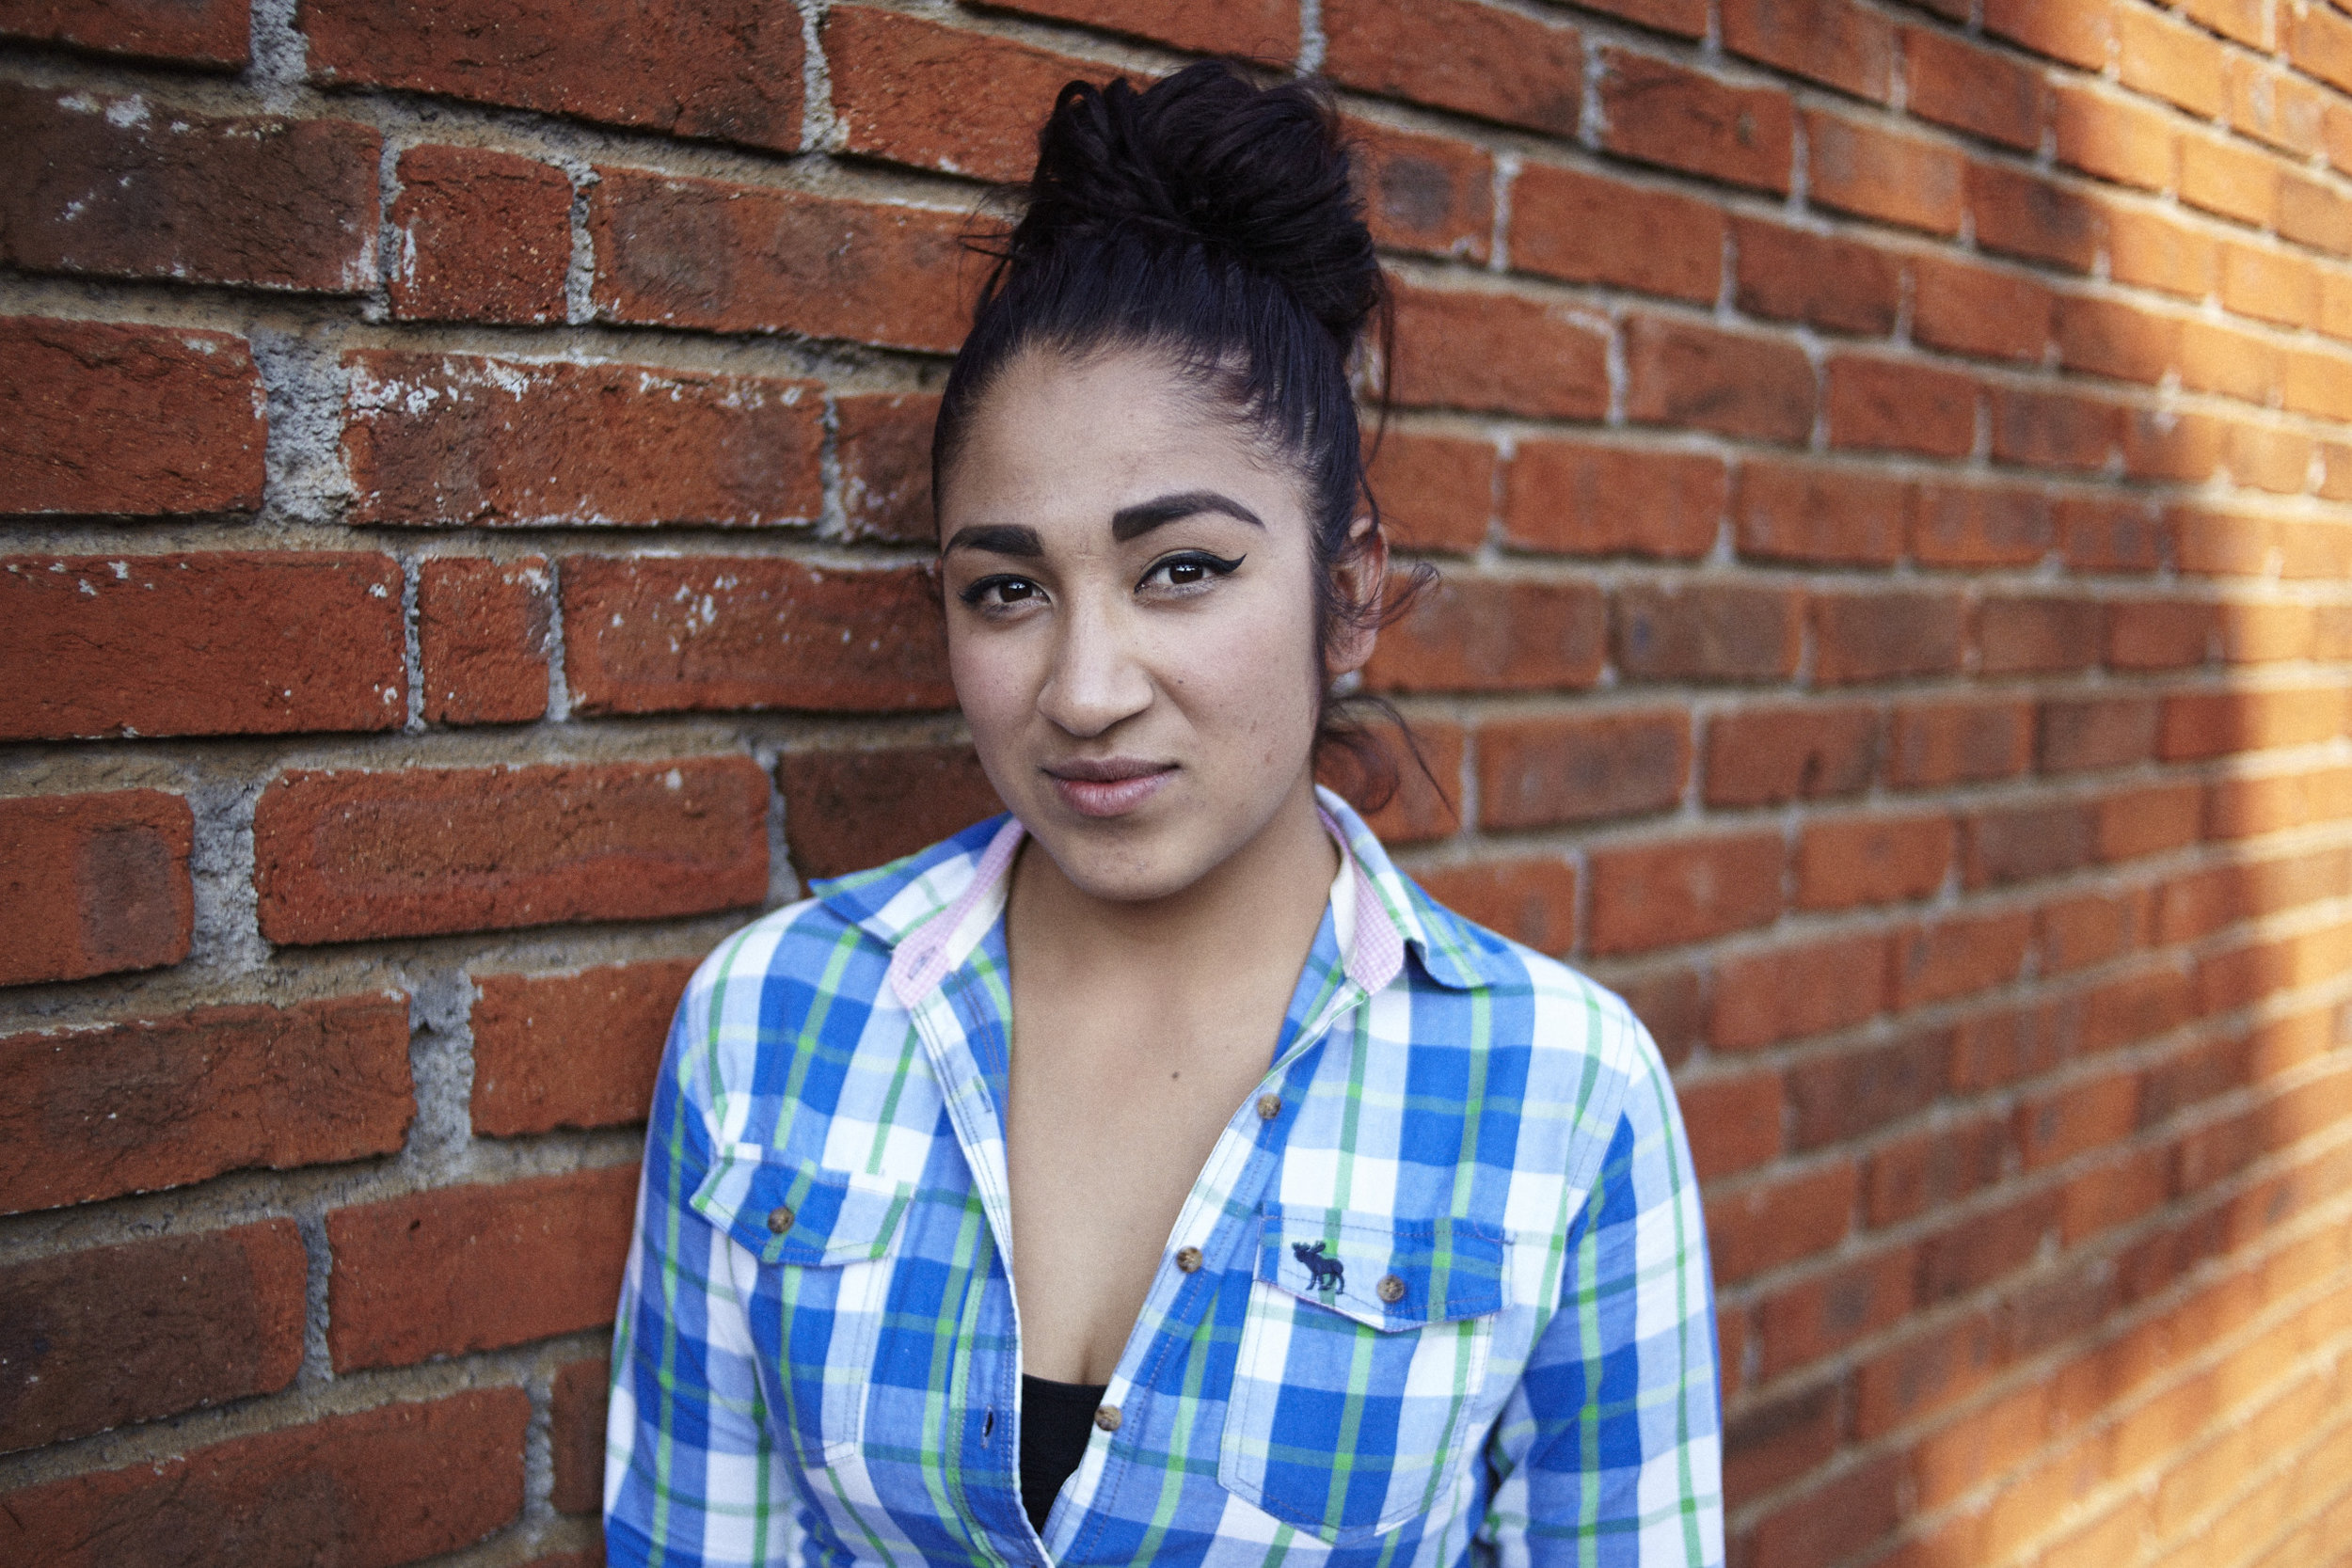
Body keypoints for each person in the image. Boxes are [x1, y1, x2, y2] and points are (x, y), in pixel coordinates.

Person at [604, 61, 1723, 1568]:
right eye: (1006, 589)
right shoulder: (774, 1023)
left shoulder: (1562, 1095)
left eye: (1182, 568)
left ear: (1347, 592)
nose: (1081, 688)